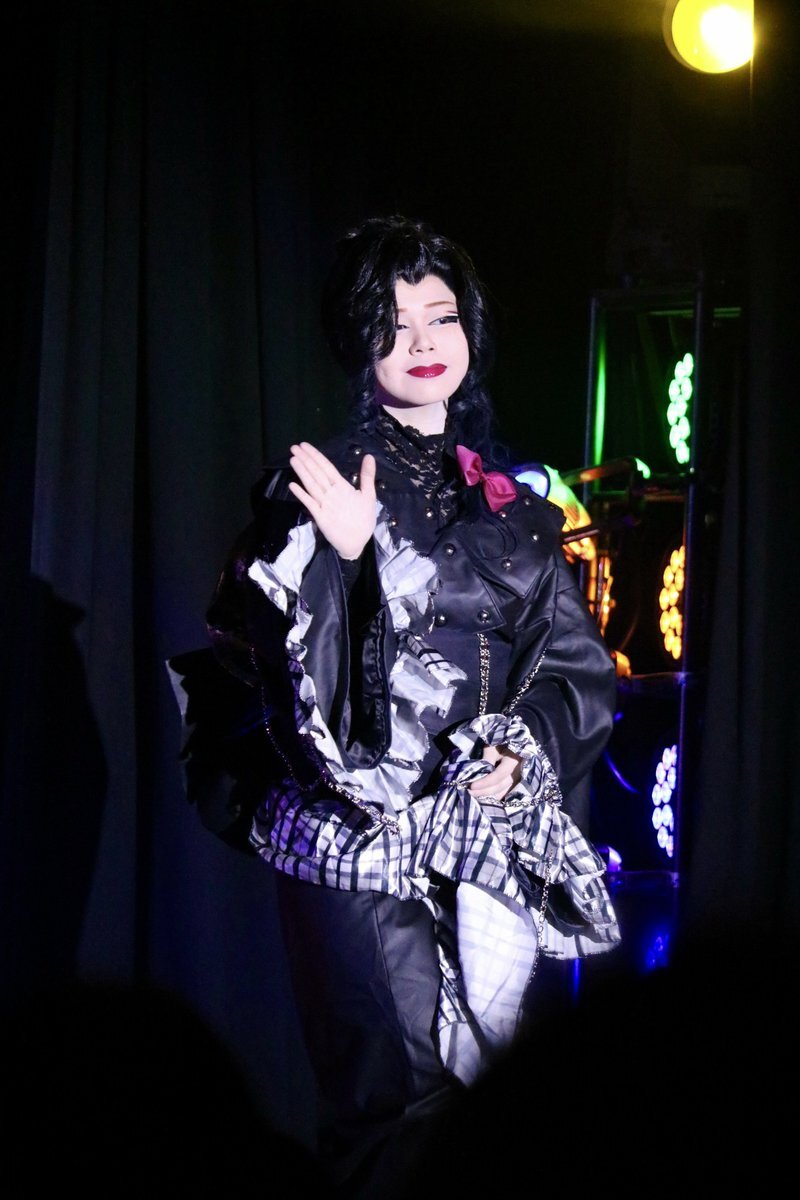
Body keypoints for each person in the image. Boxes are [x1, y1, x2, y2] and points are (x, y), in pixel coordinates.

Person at [183, 215, 621, 1195]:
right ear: (358, 340)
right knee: (398, 1107)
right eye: (394, 322)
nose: (423, 342)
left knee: (496, 1106)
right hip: (359, 845)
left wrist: (519, 750)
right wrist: (348, 562)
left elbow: (576, 670)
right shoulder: (314, 486)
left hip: (482, 838)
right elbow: (308, 704)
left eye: (440, 316)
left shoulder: (515, 510)